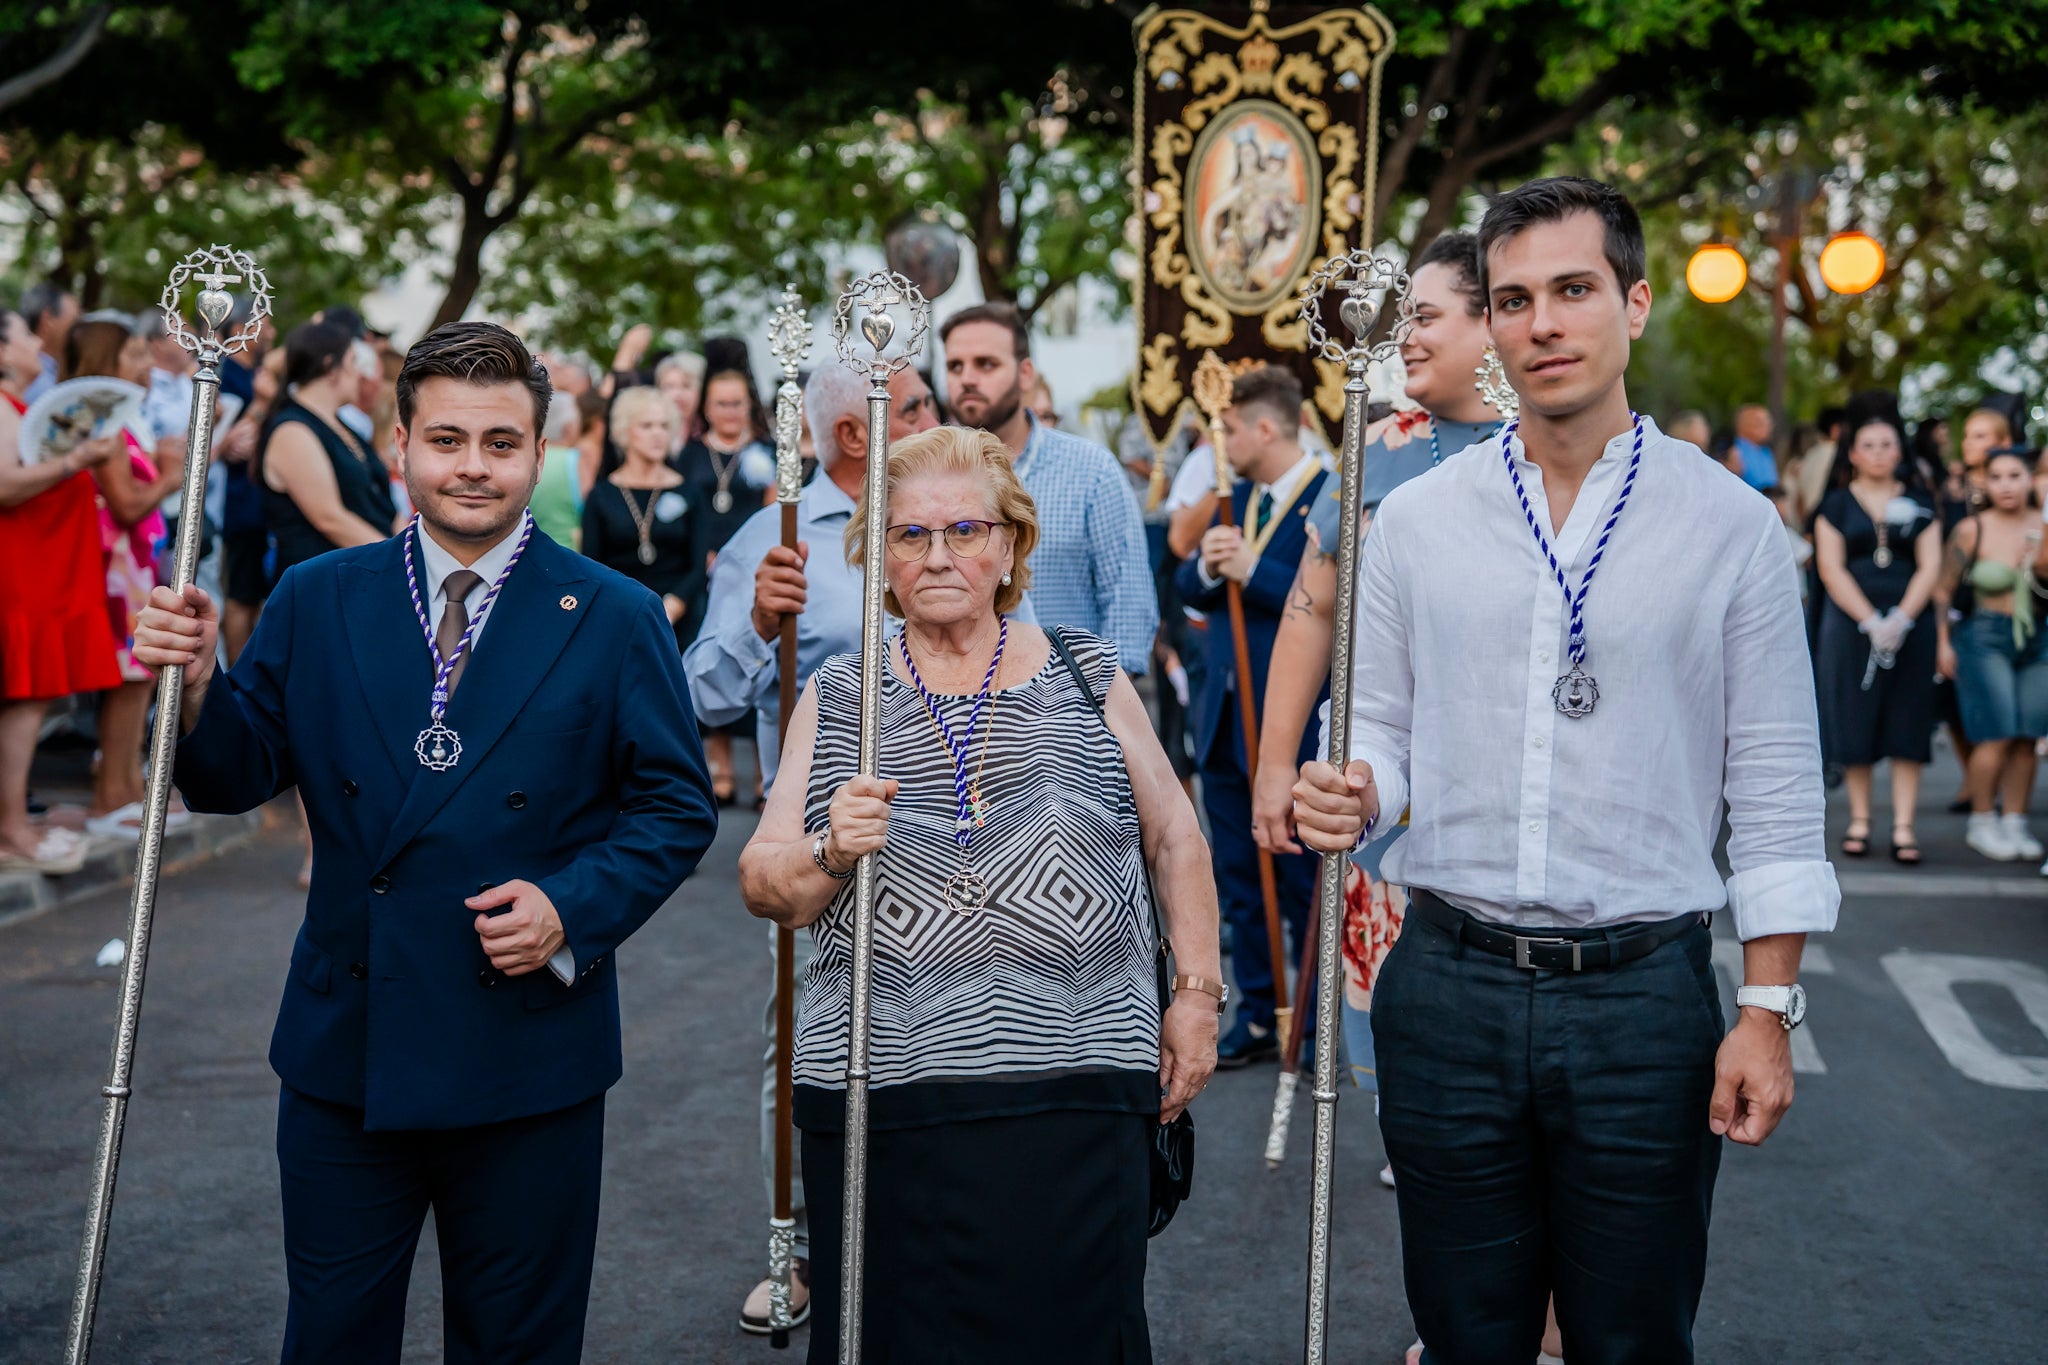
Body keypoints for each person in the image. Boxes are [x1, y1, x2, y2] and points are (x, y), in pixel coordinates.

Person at [1293, 176, 1837, 1364]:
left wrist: (1763, 1008)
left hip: (1642, 999)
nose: (1541, 322)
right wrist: (1355, 788)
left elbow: (1779, 790)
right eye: (1512, 299)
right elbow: (1379, 728)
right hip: (1444, 983)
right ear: (1486, 324)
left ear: (1634, 305)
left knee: (1630, 1336)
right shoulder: (1420, 523)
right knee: (1463, 1331)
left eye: (1572, 291)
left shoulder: (1731, 528)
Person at [131, 320, 718, 1365]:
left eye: (501, 443)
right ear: (399, 446)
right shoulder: (320, 597)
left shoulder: (617, 615)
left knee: (516, 1348)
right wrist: (194, 681)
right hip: (346, 1049)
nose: (473, 467)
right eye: (446, 441)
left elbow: (674, 808)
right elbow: (230, 775)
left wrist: (570, 908)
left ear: (540, 454)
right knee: (332, 1340)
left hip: (531, 1049)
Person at [740, 424, 1219, 1364]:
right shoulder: (841, 694)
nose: (938, 555)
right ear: (879, 554)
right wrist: (831, 848)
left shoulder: (1087, 670)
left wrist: (1197, 994)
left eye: (965, 529)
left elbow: (1175, 836)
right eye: (910, 535)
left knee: (1081, 1335)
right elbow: (766, 881)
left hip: (1080, 1087)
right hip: (888, 1095)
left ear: (1009, 544)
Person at [685, 358, 939, 1333]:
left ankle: (926, 1239)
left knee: (945, 1038)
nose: (933, 417)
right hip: (820, 848)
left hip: (951, 827)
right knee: (801, 1040)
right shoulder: (774, 537)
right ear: (856, 433)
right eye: (916, 406)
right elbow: (700, 694)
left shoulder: (952, 517)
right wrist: (758, 620)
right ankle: (791, 1250)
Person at [1250, 230, 1510, 1156]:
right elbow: (1310, 611)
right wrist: (1278, 763)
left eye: (1430, 317)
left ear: (1494, 322)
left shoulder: (1549, 448)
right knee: (1392, 977)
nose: (1407, 337)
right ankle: (1418, 1131)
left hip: (1504, 771)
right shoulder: (1378, 449)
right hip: (1383, 766)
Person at [1174, 365, 1327, 1067]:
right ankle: (1260, 1011)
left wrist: (1249, 572)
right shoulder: (1239, 501)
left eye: (1230, 428)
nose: (1222, 442)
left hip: (1289, 718)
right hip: (1225, 714)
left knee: (1301, 877)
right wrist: (1210, 568)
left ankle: (1317, 1016)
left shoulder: (1329, 493)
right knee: (1236, 872)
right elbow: (1187, 584)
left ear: (1266, 427)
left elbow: (1331, 599)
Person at [942, 301, 1157, 677]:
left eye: (985, 364)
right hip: (950, 715)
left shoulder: (1091, 471)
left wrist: (1096, 710)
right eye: (955, 366)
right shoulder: (929, 477)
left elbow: (1128, 607)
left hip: (1071, 712)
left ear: (1026, 374)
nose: (967, 378)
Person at [0, 307, 122, 873]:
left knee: (29, 699)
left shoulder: (17, 405)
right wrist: (77, 458)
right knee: (22, 701)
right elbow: (4, 484)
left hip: (40, 568)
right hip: (21, 571)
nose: (37, 343)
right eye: (25, 334)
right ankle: (13, 830)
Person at [66, 311, 191, 841]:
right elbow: (125, 504)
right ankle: (109, 796)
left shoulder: (126, 418)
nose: (147, 362)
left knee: (139, 678)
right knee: (129, 677)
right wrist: (170, 475)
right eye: (136, 353)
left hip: (135, 562)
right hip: (119, 565)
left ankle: (124, 786)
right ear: (107, 360)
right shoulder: (106, 424)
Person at [1812, 413, 1942, 863]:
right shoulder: (1834, 505)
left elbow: (1931, 565)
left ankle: (1904, 825)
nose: (1879, 453)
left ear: (1899, 451)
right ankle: (1860, 819)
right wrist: (1870, 620)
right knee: (1855, 719)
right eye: (1869, 445)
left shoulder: (1922, 502)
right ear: (1853, 454)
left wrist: (1903, 618)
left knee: (1909, 720)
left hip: (1911, 623)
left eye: (1887, 444)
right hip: (1851, 625)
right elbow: (1830, 568)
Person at [1937, 446, 2048, 861]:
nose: (2006, 485)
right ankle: (1982, 819)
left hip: (2037, 633)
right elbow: (1943, 591)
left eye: (2015, 476)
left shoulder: (2043, 524)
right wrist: (1942, 642)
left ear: (2030, 479)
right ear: (1985, 481)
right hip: (1984, 635)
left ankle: (2015, 820)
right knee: (1997, 731)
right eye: (1997, 476)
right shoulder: (1971, 529)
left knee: (2026, 735)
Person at [581, 386, 697, 645]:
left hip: (679, 621)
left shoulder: (689, 492)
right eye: (647, 425)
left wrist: (672, 607)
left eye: (664, 426)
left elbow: (698, 565)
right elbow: (591, 563)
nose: (658, 434)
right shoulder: (601, 495)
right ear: (625, 432)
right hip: (618, 617)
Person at [19, 280, 76, 403]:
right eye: (75, 320)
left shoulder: (49, 374)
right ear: (48, 318)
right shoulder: (34, 379)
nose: (79, 330)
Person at [1727, 402, 1778, 490]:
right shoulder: (1732, 451)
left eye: (1769, 423)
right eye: (1761, 423)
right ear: (1744, 424)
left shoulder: (1766, 453)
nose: (1768, 427)